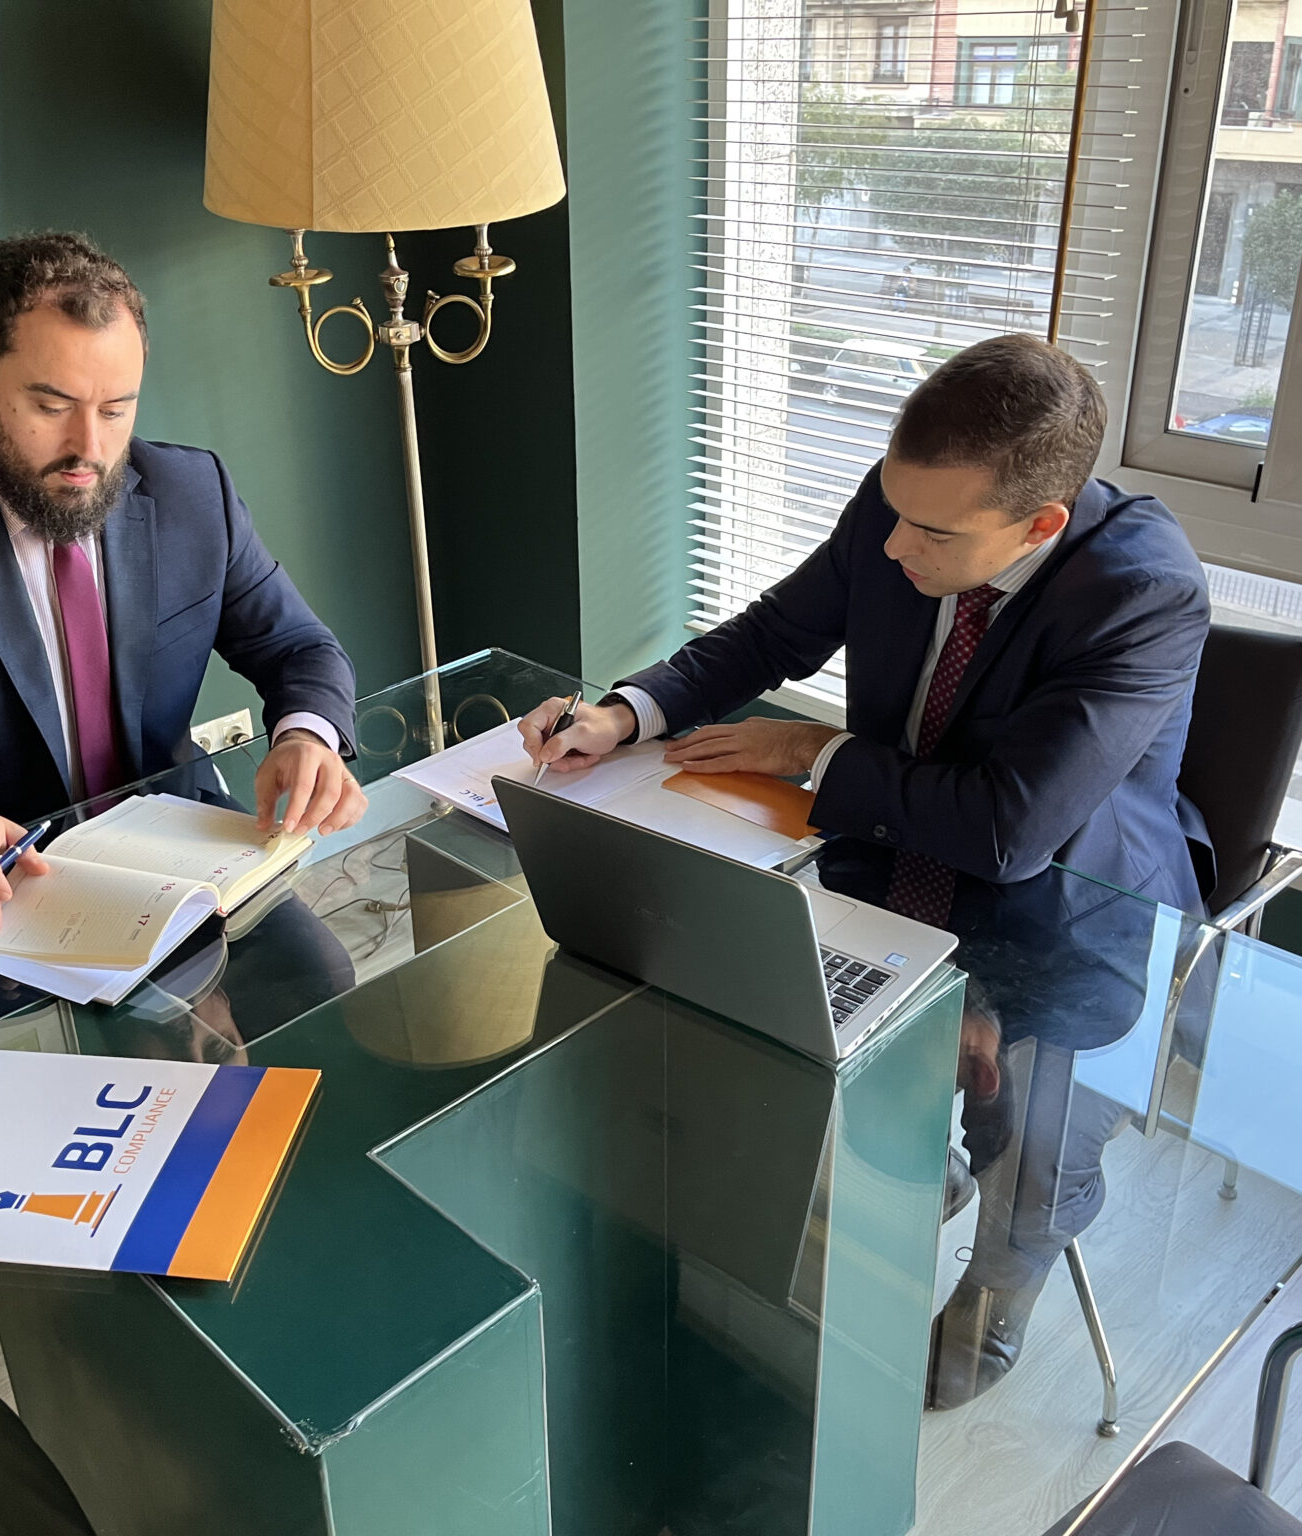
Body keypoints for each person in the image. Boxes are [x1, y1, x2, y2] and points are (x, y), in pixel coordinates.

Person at [520, 332, 1214, 1404]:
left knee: (1029, 1148)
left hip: (1070, 920)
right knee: (766, 1035)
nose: (893, 546)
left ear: (1039, 524)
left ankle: (1002, 1279)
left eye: (930, 533)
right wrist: (627, 712)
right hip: (889, 861)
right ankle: (909, 1166)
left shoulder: (1144, 591)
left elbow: (1010, 830)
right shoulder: (912, 503)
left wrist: (811, 749)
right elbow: (773, 635)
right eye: (892, 510)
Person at [0, 232, 368, 942]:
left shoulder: (193, 492)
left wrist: (306, 734)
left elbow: (297, 646)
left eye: (116, 409)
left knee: (322, 980)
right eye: (53, 407)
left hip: (172, 855)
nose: (90, 447)